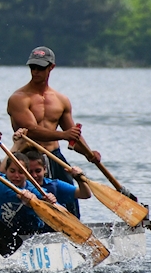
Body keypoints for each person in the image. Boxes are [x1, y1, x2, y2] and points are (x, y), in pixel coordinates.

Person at [7, 46, 100, 183]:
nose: (35, 71)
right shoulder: (18, 98)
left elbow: (73, 136)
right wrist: (63, 135)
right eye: (33, 67)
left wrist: (89, 153)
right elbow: (31, 130)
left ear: (51, 67)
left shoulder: (61, 100)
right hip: (28, 158)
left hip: (55, 157)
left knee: (69, 200)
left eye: (40, 67)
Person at [24, 150, 91, 219]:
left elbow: (85, 194)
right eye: (30, 172)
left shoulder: (56, 185)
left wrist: (79, 179)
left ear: (44, 169)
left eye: (38, 171)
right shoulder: (19, 187)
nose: (34, 175)